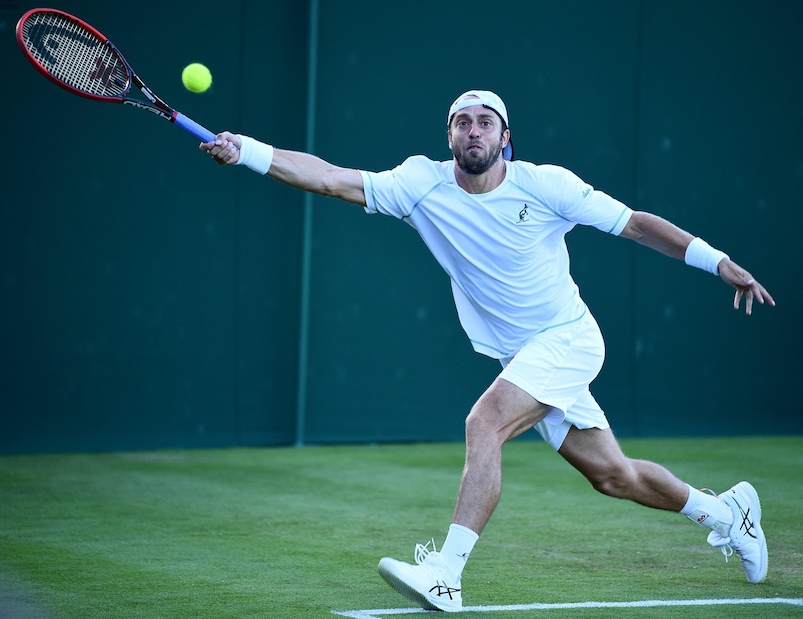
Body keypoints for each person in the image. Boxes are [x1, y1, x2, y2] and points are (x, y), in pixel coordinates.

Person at [201, 90, 774, 612]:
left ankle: (446, 573)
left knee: (485, 422)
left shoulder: (546, 185)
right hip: (520, 355)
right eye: (462, 123)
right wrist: (247, 151)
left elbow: (637, 226)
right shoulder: (419, 183)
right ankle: (728, 513)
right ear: (449, 137)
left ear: (505, 138)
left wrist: (717, 261)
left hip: (568, 339)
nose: (473, 130)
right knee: (613, 476)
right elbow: (329, 178)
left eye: (486, 122)